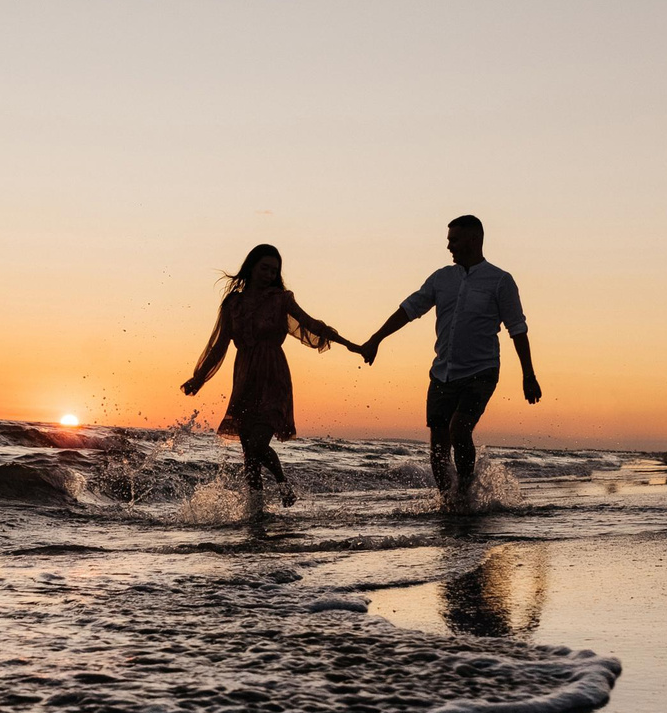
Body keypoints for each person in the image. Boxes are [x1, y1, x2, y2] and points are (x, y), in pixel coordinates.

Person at [356, 214, 540, 504]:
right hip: (442, 372)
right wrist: (375, 339)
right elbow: (409, 309)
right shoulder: (441, 278)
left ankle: (465, 493)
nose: (449, 246)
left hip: (481, 371)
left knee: (459, 429)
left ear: (474, 239)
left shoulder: (500, 281)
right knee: (438, 442)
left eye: (454, 240)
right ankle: (447, 500)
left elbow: (517, 329)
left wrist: (528, 375)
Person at [181, 243, 355, 508]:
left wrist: (350, 344)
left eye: (274, 271)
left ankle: (282, 483)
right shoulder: (233, 304)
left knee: (258, 444)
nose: (269, 275)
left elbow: (312, 324)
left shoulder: (281, 299)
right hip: (244, 378)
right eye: (264, 268)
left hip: (274, 377)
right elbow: (219, 346)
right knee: (248, 454)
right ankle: (256, 512)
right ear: (251, 267)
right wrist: (199, 378)